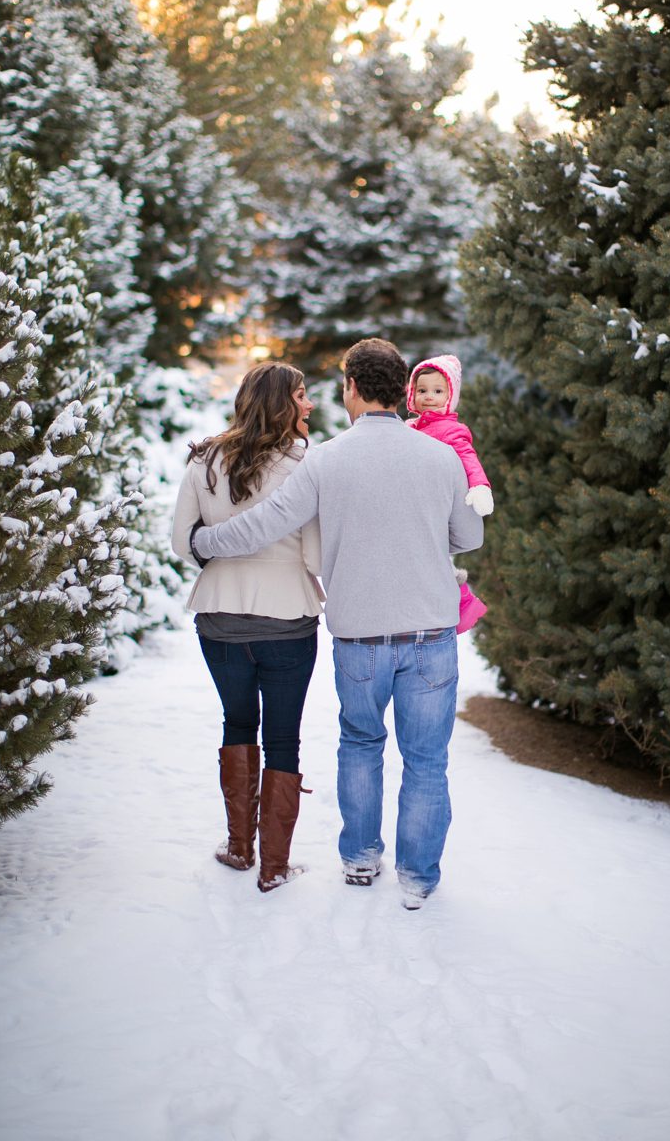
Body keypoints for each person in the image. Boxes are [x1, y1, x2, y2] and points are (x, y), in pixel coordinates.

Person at [190, 337, 485, 910]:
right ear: (404, 392)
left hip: (359, 636)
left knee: (360, 742)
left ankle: (359, 859)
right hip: (430, 633)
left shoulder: (326, 458)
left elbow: (265, 524)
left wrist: (205, 542)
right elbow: (469, 537)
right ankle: (419, 878)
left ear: (352, 388)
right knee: (427, 760)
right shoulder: (443, 457)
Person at [170, 361, 322, 893]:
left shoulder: (204, 459)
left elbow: (180, 541)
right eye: (303, 396)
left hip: (219, 614)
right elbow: (315, 551)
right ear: (285, 403)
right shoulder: (307, 464)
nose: (311, 405)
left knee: (237, 723)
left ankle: (239, 848)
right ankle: (274, 866)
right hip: (288, 618)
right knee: (284, 737)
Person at [405, 353, 493, 632]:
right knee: (432, 557)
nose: (428, 396)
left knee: (434, 556)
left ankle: (462, 600)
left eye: (437, 391)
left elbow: (468, 458)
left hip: (436, 504)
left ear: (449, 396)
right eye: (421, 390)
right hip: (416, 501)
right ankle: (459, 598)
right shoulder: (411, 427)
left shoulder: (451, 430)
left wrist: (480, 486)